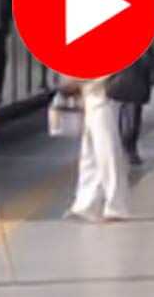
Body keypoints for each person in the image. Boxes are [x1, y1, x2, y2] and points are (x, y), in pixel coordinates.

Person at [61, 75, 130, 222]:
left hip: (103, 98)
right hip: (92, 96)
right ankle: (85, 204)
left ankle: (116, 205)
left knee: (107, 153)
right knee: (90, 154)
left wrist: (77, 77)